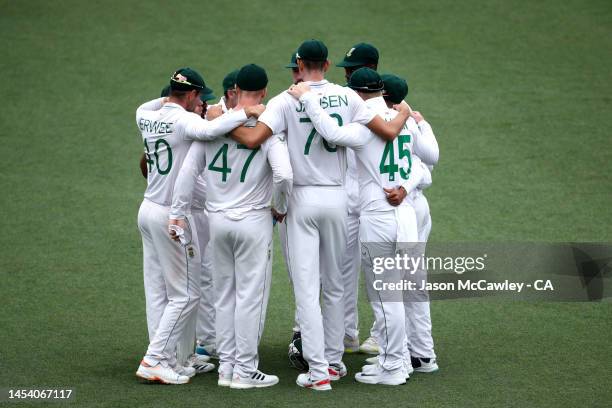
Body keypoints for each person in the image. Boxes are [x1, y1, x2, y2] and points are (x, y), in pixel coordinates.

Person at [230, 39, 411, 391]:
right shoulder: (348, 96)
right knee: (336, 285)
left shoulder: (284, 100)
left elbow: (254, 140)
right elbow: (386, 130)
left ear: (299, 64)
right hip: (338, 199)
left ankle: (317, 373)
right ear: (327, 65)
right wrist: (404, 112)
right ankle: (332, 360)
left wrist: (223, 119)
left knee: (307, 289)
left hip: (301, 200)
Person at [287, 67, 428, 385]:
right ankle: (398, 360)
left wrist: (309, 99)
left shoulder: (366, 123)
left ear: (359, 93)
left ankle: (392, 367)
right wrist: (404, 187)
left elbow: (333, 134)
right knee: (393, 293)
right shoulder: (398, 118)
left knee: (384, 295)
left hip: (380, 216)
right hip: (402, 213)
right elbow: (419, 162)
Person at [135, 67, 261, 385]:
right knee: (187, 294)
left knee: (157, 291)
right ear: (190, 96)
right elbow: (209, 131)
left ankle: (172, 357)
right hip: (172, 215)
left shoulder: (144, 115)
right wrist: (246, 111)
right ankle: (155, 359)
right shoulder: (184, 121)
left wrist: (174, 94)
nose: (202, 105)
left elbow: (154, 105)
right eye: (199, 98)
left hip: (147, 209)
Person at [170, 64, 293, 389]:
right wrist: (279, 208)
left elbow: (187, 173)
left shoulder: (214, 123)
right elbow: (283, 175)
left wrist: (178, 213)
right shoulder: (266, 127)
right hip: (253, 222)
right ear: (264, 92)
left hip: (218, 221)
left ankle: (226, 369)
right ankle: (246, 370)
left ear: (235, 90)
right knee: (249, 297)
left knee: (223, 296)